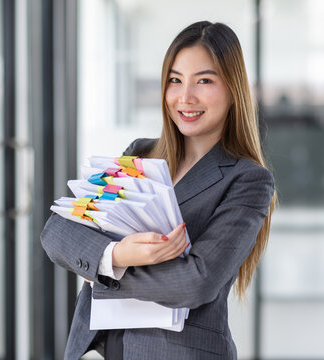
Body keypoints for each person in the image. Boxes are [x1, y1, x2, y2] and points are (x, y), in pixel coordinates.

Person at [41, 21, 276, 360]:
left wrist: (102, 273)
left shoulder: (247, 180)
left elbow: (196, 281)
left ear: (233, 89)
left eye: (204, 81)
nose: (185, 97)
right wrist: (117, 256)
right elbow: (58, 231)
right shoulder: (139, 155)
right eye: (175, 80)